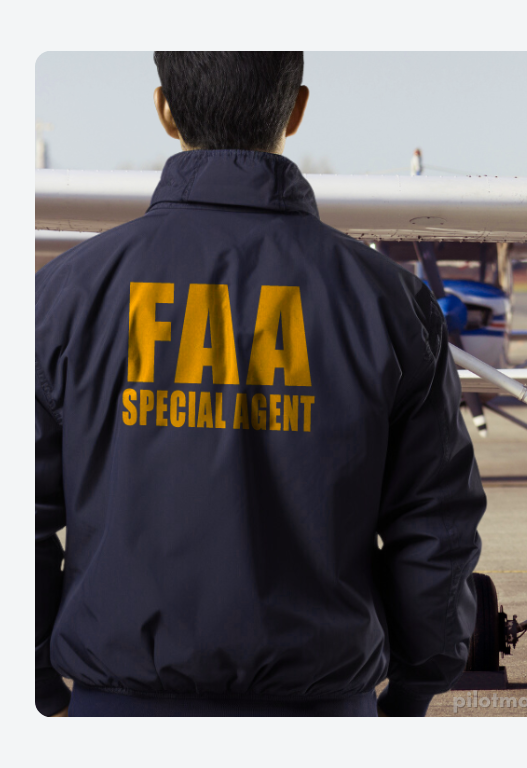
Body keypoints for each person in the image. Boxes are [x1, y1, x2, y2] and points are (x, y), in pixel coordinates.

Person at [35, 51, 486, 717]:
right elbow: (434, 528)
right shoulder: (391, 302)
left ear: (164, 109)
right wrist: (417, 684)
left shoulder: (63, 295)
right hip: (327, 707)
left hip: (117, 709)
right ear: (296, 110)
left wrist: (38, 688)